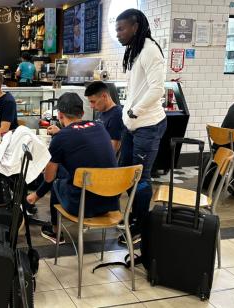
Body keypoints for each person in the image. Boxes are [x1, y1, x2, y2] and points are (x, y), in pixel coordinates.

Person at [25, 93, 118, 243]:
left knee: (55, 181)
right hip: (110, 202)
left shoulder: (60, 138)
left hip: (84, 206)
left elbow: (49, 178)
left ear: (60, 115)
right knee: (62, 170)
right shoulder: (99, 127)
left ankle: (55, 232)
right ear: (82, 113)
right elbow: (79, 138)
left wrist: (36, 195)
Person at [115, 9, 167, 244]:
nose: (118, 33)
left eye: (121, 28)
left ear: (134, 27)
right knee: (125, 171)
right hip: (133, 125)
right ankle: (134, 215)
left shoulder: (150, 51)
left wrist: (135, 111)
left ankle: (140, 225)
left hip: (148, 125)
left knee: (140, 177)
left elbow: (157, 89)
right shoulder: (136, 50)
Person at [85, 81, 124, 152]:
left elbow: (113, 148)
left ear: (104, 96)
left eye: (93, 102)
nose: (91, 106)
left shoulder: (117, 114)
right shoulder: (100, 112)